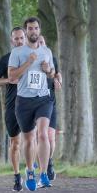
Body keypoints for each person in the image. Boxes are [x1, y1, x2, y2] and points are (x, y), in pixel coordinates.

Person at [8, 17, 55, 191]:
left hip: (43, 99)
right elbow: (12, 76)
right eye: (30, 28)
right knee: (29, 139)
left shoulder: (46, 51)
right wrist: (28, 62)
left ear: (39, 30)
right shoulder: (18, 53)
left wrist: (48, 70)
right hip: (24, 101)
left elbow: (51, 73)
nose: (33, 31)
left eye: (36, 28)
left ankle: (43, 173)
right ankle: (29, 170)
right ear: (26, 31)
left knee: (43, 135)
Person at [0, 27, 26, 191]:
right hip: (12, 104)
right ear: (12, 41)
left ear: (25, 38)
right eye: (16, 39)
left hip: (31, 103)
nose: (19, 41)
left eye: (21, 38)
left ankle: (33, 172)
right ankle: (17, 176)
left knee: (33, 139)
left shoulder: (34, 57)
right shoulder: (6, 59)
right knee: (16, 142)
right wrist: (8, 80)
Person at [38, 35, 62, 181]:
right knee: (39, 136)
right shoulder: (29, 58)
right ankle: (42, 168)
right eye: (38, 42)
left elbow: (58, 75)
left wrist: (58, 81)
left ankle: (49, 161)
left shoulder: (51, 58)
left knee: (51, 137)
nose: (40, 44)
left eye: (42, 42)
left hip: (50, 100)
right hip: (34, 101)